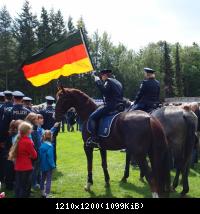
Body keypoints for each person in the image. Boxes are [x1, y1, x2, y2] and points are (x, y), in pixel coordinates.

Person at [87, 69, 124, 146]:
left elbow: (105, 91)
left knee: (92, 117)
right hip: (120, 105)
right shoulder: (118, 82)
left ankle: (94, 139)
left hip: (111, 105)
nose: (101, 78)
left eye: (101, 76)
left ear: (105, 75)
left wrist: (98, 82)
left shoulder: (108, 81)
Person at [9, 121, 37, 198]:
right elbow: (34, 155)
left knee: (18, 185)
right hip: (26, 167)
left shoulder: (17, 139)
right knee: (25, 187)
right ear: (28, 131)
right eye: (30, 129)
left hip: (18, 166)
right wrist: (29, 156)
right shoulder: (28, 141)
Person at [40, 96, 59, 164]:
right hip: (53, 132)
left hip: (44, 132)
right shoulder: (56, 111)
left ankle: (45, 162)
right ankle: (53, 162)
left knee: (44, 147)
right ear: (52, 102)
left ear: (46, 102)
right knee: (53, 147)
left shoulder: (42, 111)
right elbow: (58, 122)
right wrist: (56, 132)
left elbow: (40, 123)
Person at [39, 130, 56, 198]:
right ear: (51, 137)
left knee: (42, 178)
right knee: (48, 179)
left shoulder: (41, 146)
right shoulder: (50, 146)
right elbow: (50, 157)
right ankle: (47, 194)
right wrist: (53, 165)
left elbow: (40, 156)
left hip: (42, 165)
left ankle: (42, 192)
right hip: (49, 166)